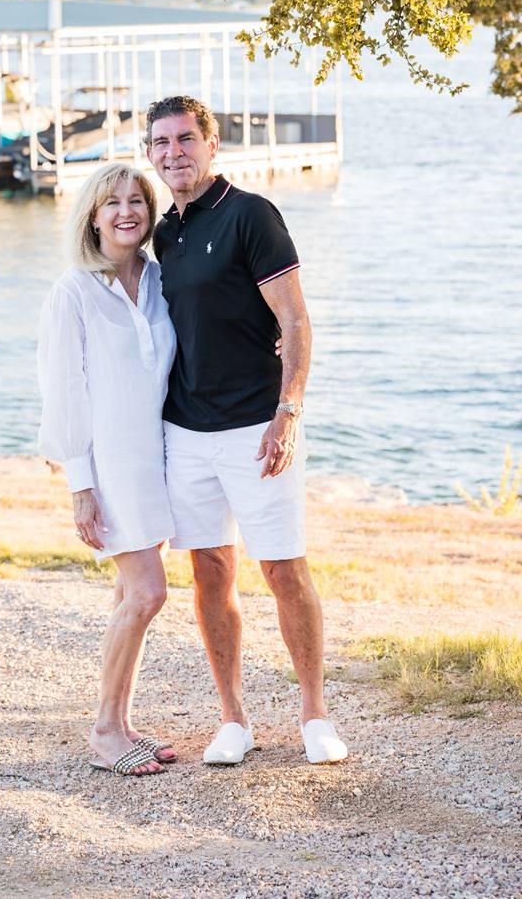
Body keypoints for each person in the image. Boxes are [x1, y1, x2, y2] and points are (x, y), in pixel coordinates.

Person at [146, 95, 348, 766]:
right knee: (210, 572)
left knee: (284, 569)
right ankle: (233, 719)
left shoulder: (251, 215)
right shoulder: (164, 232)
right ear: (150, 154)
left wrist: (289, 409)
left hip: (258, 428)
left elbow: (294, 323)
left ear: (212, 143)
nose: (173, 153)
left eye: (184, 139)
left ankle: (315, 715)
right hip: (186, 432)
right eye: (160, 143)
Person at [37, 162, 178, 776]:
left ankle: (120, 721)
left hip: (160, 456)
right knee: (147, 592)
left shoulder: (160, 281)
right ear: (93, 216)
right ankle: (103, 731)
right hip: (111, 464)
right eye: (112, 202)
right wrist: (80, 488)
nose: (127, 211)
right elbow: (63, 392)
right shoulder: (72, 290)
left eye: (137, 201)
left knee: (129, 592)